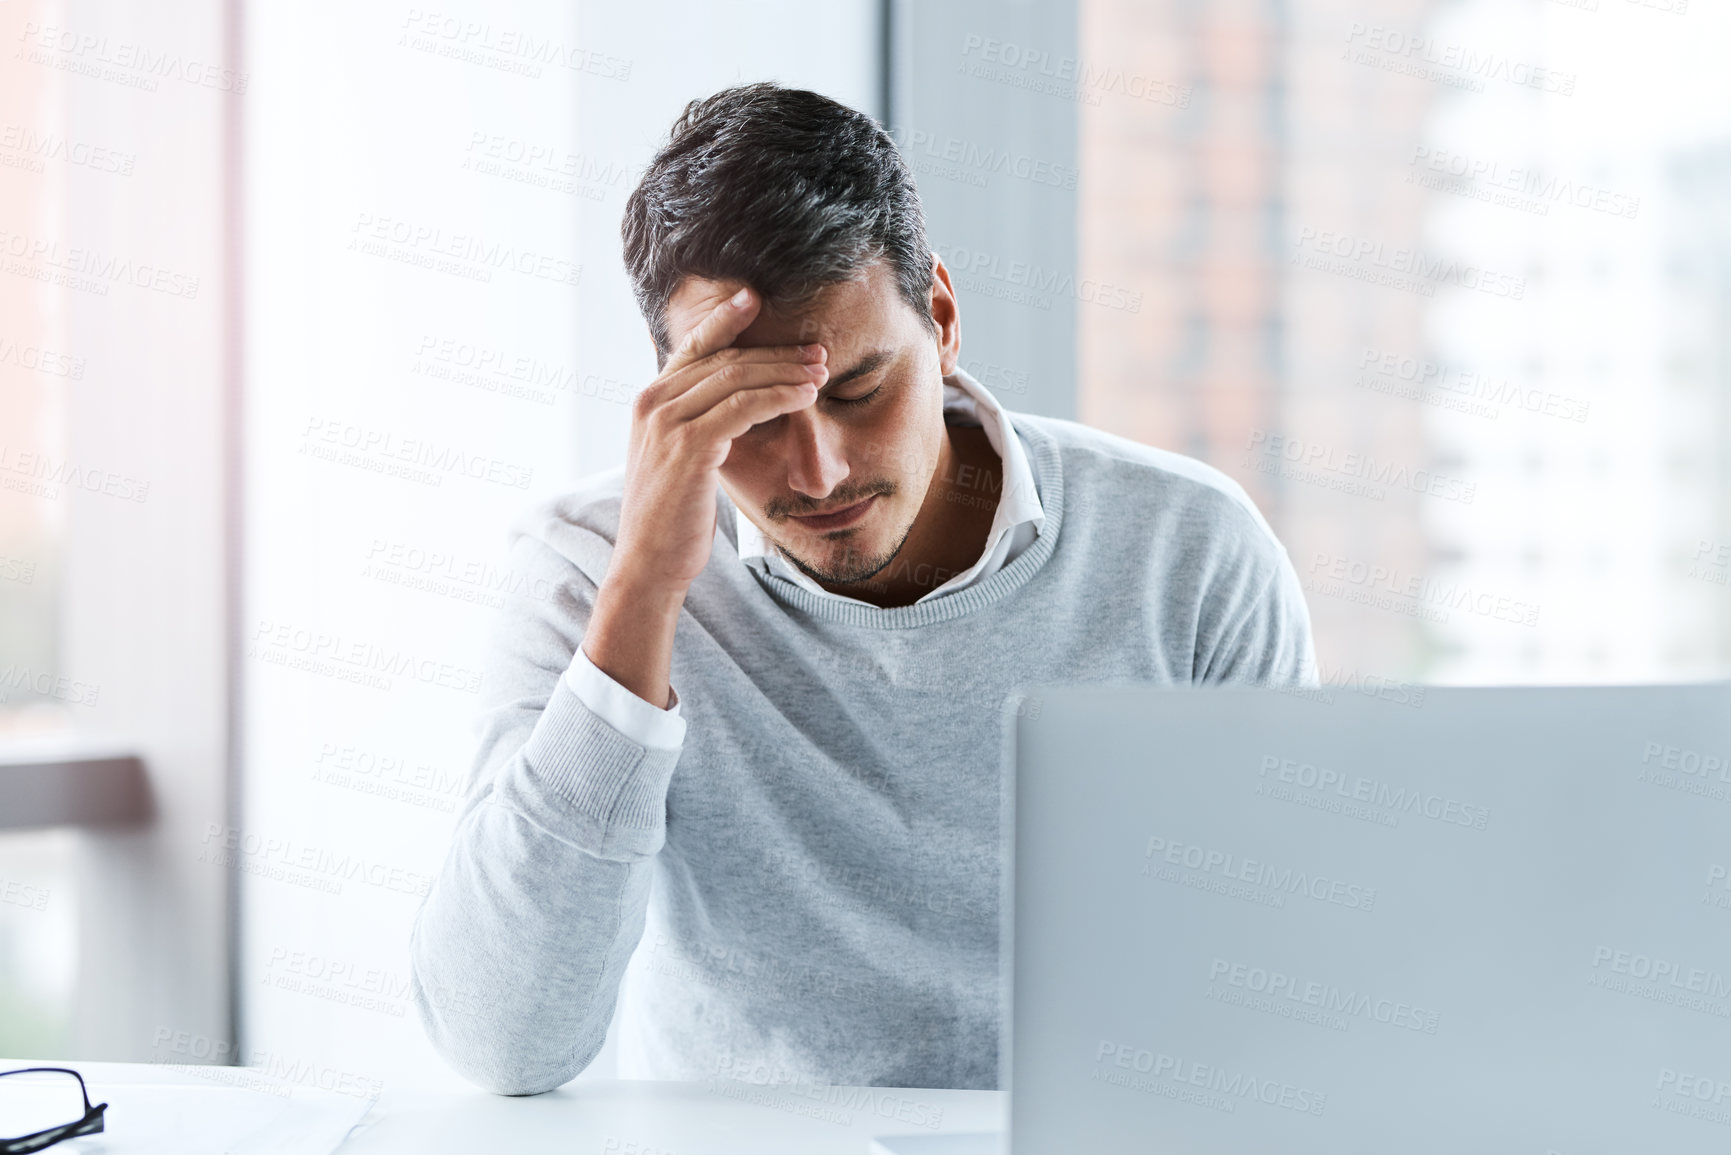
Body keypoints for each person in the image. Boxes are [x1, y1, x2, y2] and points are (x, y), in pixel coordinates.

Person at [409, 81, 1317, 1096]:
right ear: (670, 397)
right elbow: (505, 1043)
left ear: (941, 318)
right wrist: (643, 602)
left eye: (859, 392)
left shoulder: (1185, 553)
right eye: (750, 416)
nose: (819, 473)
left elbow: (1287, 989)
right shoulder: (589, 569)